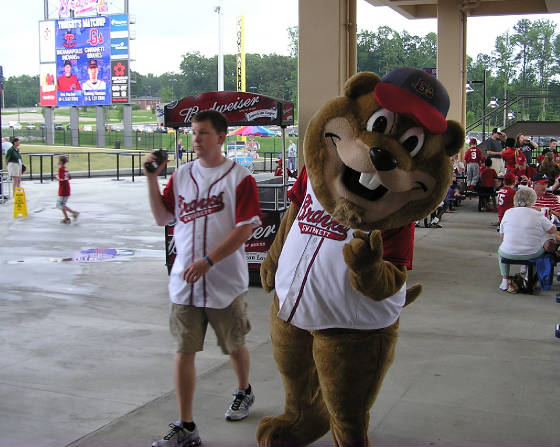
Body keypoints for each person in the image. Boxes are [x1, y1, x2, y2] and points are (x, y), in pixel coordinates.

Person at [144, 110, 261, 447]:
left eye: (204, 133)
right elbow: (161, 216)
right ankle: (186, 425)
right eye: (194, 132)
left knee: (234, 345)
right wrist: (152, 179)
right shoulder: (180, 176)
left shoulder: (239, 178)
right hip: (185, 284)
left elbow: (244, 229)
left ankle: (244, 389)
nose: (196, 138)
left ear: (221, 137)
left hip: (225, 283)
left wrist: (210, 260)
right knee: (184, 350)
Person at [498, 187, 558, 292]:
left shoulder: (508, 212)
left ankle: (505, 281)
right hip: (531, 253)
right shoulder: (538, 215)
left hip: (508, 252)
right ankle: (528, 278)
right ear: (533, 200)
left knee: (501, 250)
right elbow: (553, 229)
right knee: (541, 252)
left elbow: (502, 236)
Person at [56, 155, 79, 224]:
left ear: (61, 162)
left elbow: (61, 179)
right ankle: (66, 218)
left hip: (63, 189)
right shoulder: (65, 169)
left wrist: (57, 177)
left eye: (58, 160)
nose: (57, 161)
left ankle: (73, 213)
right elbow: (69, 177)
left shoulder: (60, 169)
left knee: (60, 204)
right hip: (67, 188)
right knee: (62, 204)